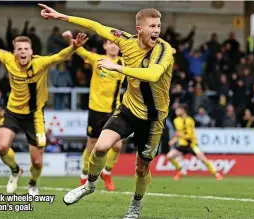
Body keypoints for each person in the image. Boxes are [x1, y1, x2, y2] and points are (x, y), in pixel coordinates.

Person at [39, 4, 174, 218]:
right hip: (129, 108)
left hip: (154, 119)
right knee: (100, 147)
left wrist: (118, 68)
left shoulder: (164, 51)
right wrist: (61, 16)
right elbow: (95, 26)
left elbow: (153, 74)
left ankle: (135, 204)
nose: (157, 30)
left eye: (158, 25)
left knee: (141, 168)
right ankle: (89, 185)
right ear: (139, 29)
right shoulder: (125, 41)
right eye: (152, 26)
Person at [0, 15, 88, 196]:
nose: (23, 52)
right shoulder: (8, 60)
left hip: (35, 116)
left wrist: (73, 47)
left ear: (32, 52)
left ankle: (32, 183)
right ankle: (15, 170)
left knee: (37, 162)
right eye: (19, 49)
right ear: (14, 52)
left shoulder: (40, 63)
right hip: (13, 112)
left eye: (26, 49)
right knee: (1, 147)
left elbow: (58, 57)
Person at [64, 32, 126, 191]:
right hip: (96, 110)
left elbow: (143, 61)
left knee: (118, 145)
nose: (113, 46)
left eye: (116, 43)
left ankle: (107, 172)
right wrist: (69, 40)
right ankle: (84, 175)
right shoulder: (97, 59)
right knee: (92, 146)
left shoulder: (124, 63)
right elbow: (80, 50)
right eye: (110, 43)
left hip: (114, 110)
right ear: (105, 46)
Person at [167, 105, 223, 181]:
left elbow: (189, 136)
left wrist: (180, 135)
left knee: (203, 159)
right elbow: (178, 134)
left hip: (192, 145)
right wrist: (173, 141)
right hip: (183, 145)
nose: (176, 112)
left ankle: (216, 173)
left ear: (183, 110)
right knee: (169, 156)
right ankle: (181, 170)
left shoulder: (190, 121)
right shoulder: (176, 121)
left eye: (178, 110)